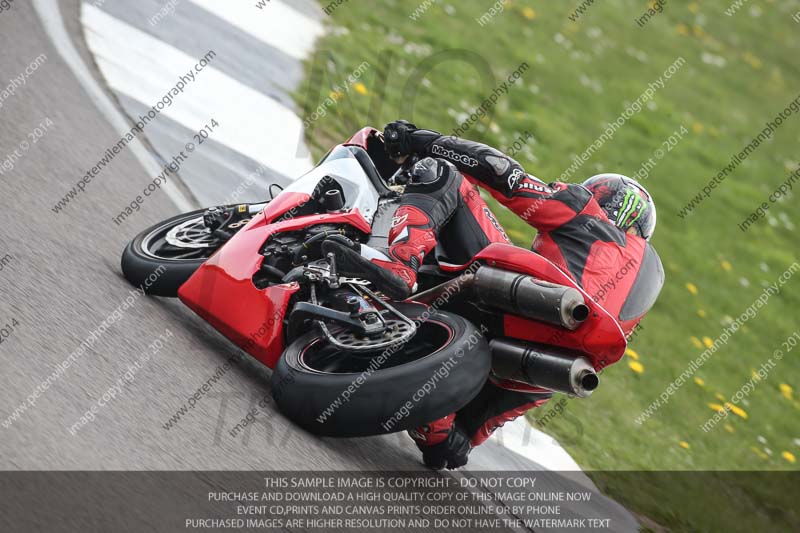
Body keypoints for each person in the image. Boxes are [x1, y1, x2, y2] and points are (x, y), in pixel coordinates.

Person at [322, 120, 663, 469]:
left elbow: (503, 173)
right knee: (455, 446)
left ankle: (400, 264)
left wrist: (423, 141)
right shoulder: (648, 279)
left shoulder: (585, 211)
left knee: (442, 174)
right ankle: (440, 429)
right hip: (557, 365)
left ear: (605, 201)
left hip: (521, 298)